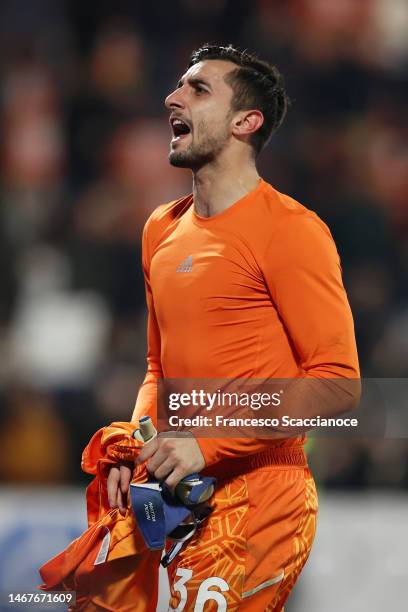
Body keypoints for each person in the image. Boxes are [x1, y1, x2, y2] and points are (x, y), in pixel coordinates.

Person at [107, 44, 360, 611]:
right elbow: (158, 370)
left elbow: (338, 385)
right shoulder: (160, 230)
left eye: (198, 90)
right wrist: (138, 444)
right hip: (178, 494)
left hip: (263, 495)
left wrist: (208, 442)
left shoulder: (292, 230)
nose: (173, 97)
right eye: (178, 86)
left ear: (247, 122)